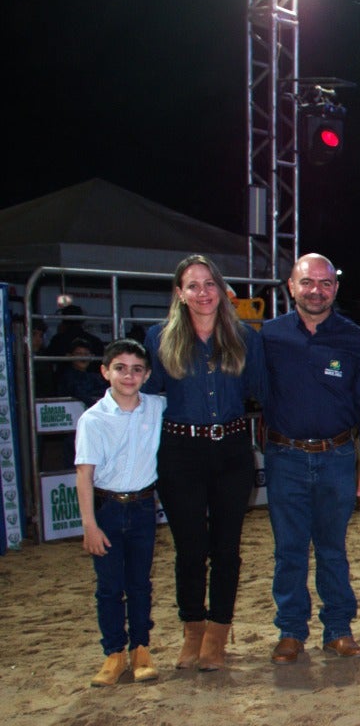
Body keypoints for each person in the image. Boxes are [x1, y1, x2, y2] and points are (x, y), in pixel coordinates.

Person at [144, 254, 269, 672]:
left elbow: (264, 391)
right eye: (193, 285)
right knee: (190, 549)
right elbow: (145, 396)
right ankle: (192, 631)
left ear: (221, 289)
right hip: (180, 452)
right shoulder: (158, 338)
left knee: (227, 549)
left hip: (232, 450)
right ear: (179, 293)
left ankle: (217, 634)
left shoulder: (245, 338)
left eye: (209, 283)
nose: (203, 292)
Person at [260, 253, 360, 664]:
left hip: (337, 458)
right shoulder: (268, 336)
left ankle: (338, 630)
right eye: (308, 282)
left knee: (333, 548)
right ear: (291, 287)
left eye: (325, 283)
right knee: (289, 549)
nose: (317, 291)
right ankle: (291, 631)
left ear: (336, 288)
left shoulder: (355, 340)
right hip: (285, 458)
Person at [76, 340, 165, 688]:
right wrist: (89, 525)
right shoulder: (93, 419)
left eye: (137, 369)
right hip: (107, 509)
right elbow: (84, 474)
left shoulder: (157, 407)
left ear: (147, 375)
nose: (129, 376)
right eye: (120, 368)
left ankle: (140, 649)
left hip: (143, 507)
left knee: (140, 583)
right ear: (105, 372)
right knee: (109, 586)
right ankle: (113, 653)